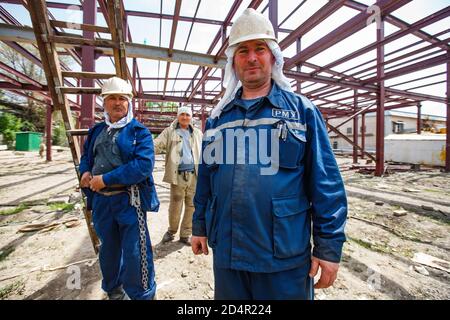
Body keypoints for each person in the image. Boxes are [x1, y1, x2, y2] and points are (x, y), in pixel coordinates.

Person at [191, 8, 347, 300]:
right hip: (229, 254)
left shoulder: (302, 112)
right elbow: (207, 180)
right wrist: (199, 225)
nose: (252, 57)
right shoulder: (218, 119)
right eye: (243, 51)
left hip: (283, 257)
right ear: (233, 62)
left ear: (273, 56)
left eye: (259, 49)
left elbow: (326, 183)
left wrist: (328, 248)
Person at [79, 76, 159, 300]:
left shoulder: (139, 132)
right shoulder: (96, 131)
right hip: (102, 202)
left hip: (129, 200)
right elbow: (86, 157)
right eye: (111, 98)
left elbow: (143, 165)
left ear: (129, 102)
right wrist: (85, 171)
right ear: (103, 102)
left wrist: (105, 179)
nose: (116, 103)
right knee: (109, 250)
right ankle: (114, 289)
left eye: (121, 98)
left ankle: (142, 294)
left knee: (136, 252)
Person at [153, 106, 202, 246]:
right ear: (178, 116)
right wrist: (142, 148)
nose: (185, 117)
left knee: (191, 206)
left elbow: (206, 149)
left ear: (191, 117)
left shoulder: (198, 133)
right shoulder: (170, 131)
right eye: (182, 114)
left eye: (187, 115)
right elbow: (157, 144)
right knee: (175, 206)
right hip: (178, 176)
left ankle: (185, 234)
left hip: (194, 175)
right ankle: (171, 231)